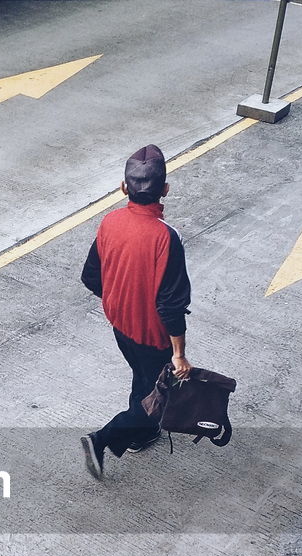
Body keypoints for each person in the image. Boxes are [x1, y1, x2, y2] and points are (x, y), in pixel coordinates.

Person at [80, 144, 192, 480]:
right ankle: (101, 439)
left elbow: (90, 277)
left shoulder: (109, 222)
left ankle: (141, 436)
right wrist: (179, 355)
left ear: (123, 187)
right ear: (166, 190)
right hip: (152, 335)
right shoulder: (166, 238)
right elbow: (171, 304)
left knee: (143, 379)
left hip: (120, 327)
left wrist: (119, 297)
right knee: (158, 398)